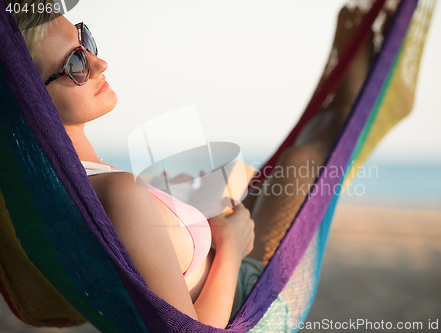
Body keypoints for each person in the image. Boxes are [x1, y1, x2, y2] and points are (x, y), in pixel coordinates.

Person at [9, 0, 393, 328]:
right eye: (75, 63)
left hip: (233, 268)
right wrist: (230, 247)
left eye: (85, 39)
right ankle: (372, 36)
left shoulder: (69, 186)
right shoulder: (117, 193)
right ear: (31, 98)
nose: (98, 62)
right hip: (250, 297)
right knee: (315, 148)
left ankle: (361, 39)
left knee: (278, 163)